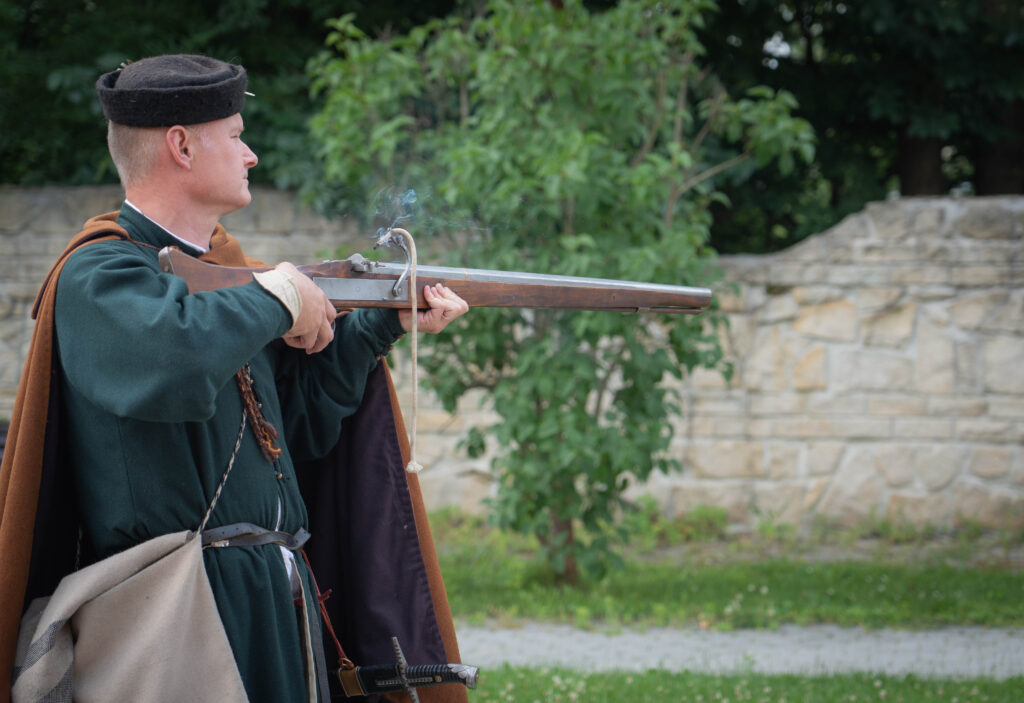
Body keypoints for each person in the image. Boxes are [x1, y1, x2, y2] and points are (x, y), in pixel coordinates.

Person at [0, 54, 468, 703]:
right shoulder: (98, 276)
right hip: (174, 608)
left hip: (272, 596)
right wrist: (278, 297)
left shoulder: (230, 282)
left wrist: (378, 326)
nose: (250, 155)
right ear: (182, 146)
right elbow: (176, 362)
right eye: (236, 135)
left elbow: (298, 431)